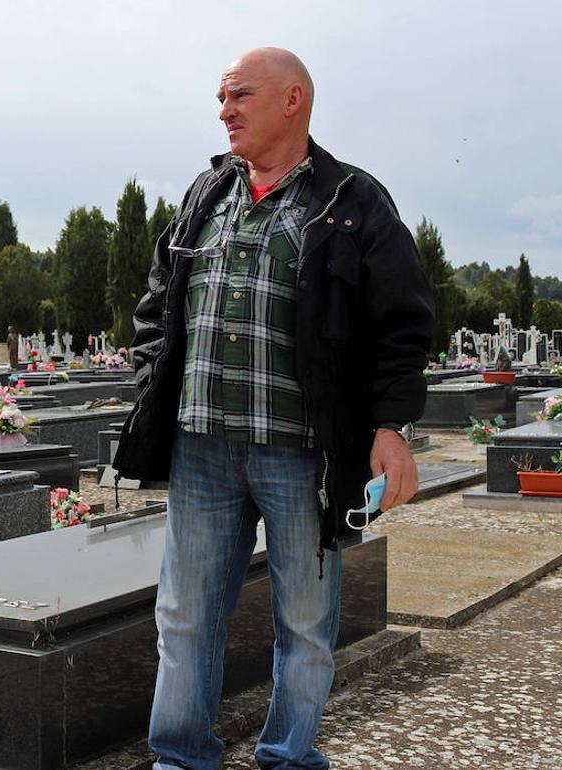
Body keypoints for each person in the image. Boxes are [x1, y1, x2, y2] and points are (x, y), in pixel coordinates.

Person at [112, 48, 433, 769]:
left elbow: (401, 323)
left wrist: (390, 428)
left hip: (302, 454)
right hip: (202, 450)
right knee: (185, 615)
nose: (223, 111)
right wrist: (147, 385)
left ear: (292, 100)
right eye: (220, 98)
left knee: (307, 624)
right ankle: (180, 757)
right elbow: (158, 303)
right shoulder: (207, 192)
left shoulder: (352, 201)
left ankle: (287, 757)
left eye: (238, 96)